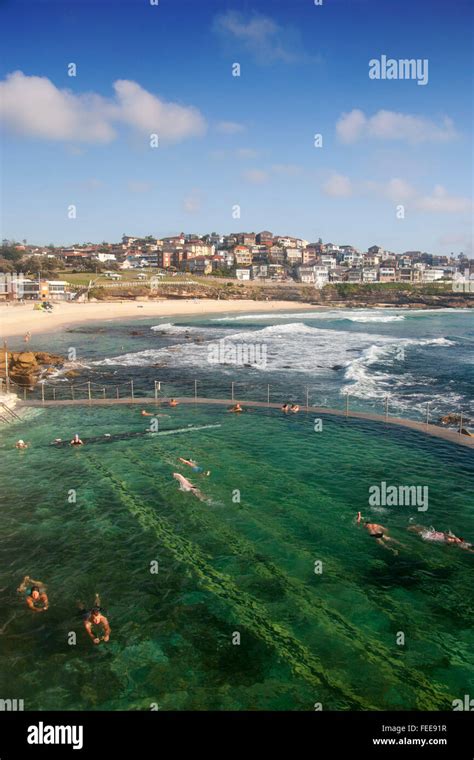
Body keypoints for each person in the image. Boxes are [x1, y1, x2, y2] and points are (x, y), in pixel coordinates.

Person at [409, 525, 474, 553]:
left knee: (467, 547)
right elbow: (446, 534)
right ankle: (413, 528)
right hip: (435, 536)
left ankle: (412, 528)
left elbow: (446, 535)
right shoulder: (452, 538)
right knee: (467, 546)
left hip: (433, 536)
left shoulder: (452, 539)